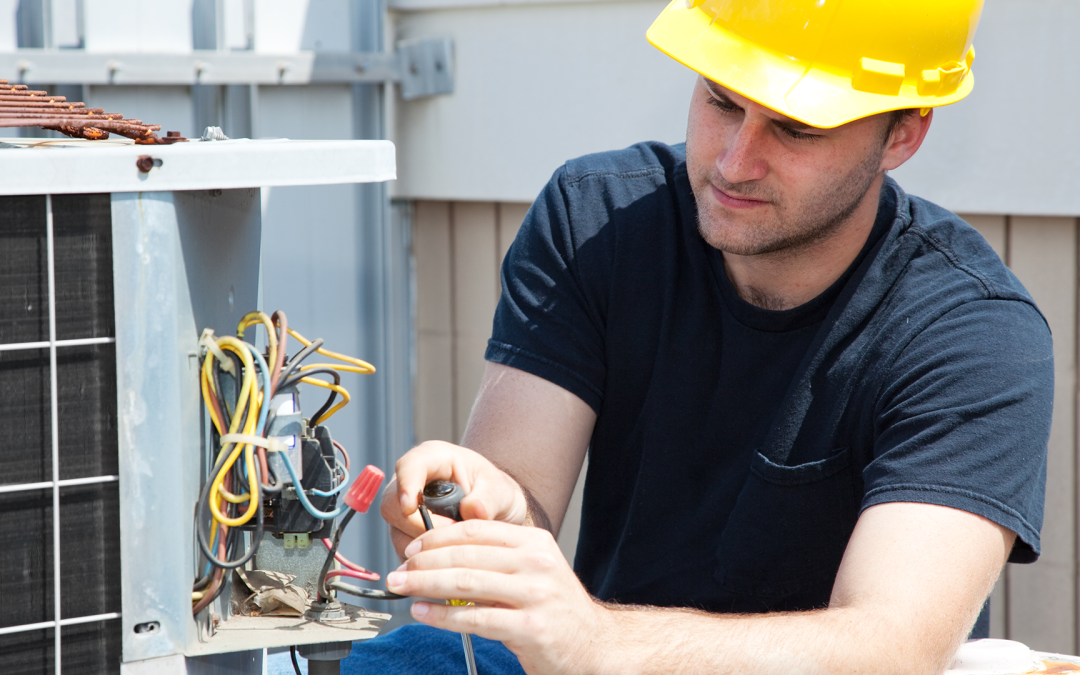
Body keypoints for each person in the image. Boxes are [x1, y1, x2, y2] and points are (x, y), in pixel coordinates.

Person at [337, 0, 1052, 673]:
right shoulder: (596, 221)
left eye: (797, 127)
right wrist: (485, 502)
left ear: (903, 132)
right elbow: (521, 505)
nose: (735, 160)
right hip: (599, 657)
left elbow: (891, 645)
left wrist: (595, 639)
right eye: (721, 100)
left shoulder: (974, 332)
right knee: (408, 656)